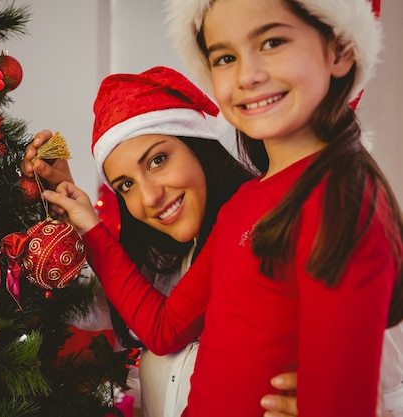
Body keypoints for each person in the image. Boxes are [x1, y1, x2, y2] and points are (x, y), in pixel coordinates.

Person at [39, 0, 403, 416]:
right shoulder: (244, 204)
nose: (248, 75)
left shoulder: (342, 198)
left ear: (339, 50)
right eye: (226, 57)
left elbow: (346, 399)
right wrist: (87, 224)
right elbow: (164, 329)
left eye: (272, 41)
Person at [23, 66, 299, 417]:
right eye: (126, 185)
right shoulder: (162, 264)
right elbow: (87, 307)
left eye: (157, 160)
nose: (149, 197)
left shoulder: (266, 232)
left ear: (198, 146)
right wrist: (63, 222)